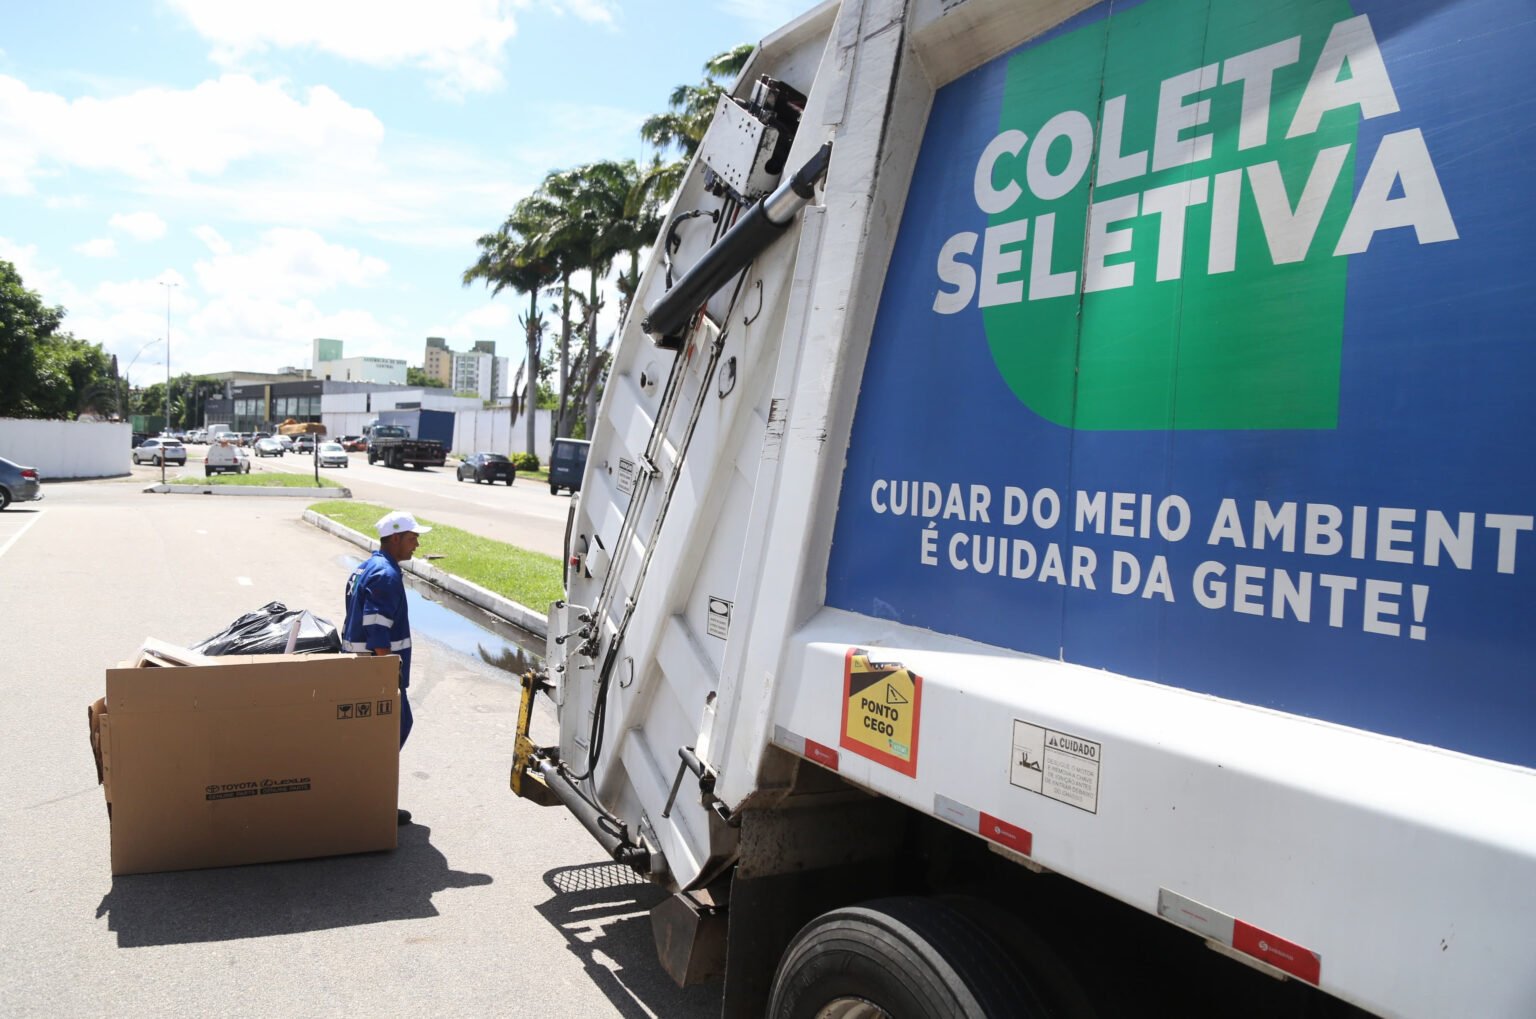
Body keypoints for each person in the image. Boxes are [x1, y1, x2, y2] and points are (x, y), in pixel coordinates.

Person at [342, 510, 432, 826]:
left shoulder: (370, 566)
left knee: (379, 736)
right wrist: (385, 676)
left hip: (365, 669)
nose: (417, 544)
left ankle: (366, 798)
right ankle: (373, 803)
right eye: (412, 537)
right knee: (390, 732)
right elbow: (377, 628)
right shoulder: (386, 575)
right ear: (395, 539)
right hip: (376, 672)